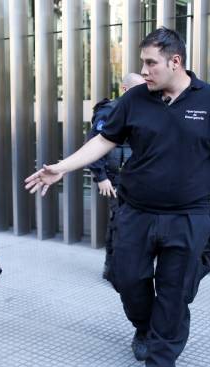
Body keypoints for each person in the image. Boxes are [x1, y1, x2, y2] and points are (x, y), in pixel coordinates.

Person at [25, 28, 210, 367]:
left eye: (150, 63)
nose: (143, 70)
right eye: (143, 62)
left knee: (175, 293)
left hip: (187, 217)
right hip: (136, 213)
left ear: (174, 61)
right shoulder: (135, 99)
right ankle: (145, 327)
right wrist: (62, 167)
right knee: (126, 277)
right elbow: (103, 141)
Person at [86, 72, 145, 280]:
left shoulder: (143, 109)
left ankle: (127, 267)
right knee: (120, 223)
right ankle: (112, 269)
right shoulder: (110, 110)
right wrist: (101, 177)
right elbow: (94, 144)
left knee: (132, 223)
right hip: (115, 179)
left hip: (137, 178)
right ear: (125, 89)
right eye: (138, 88)